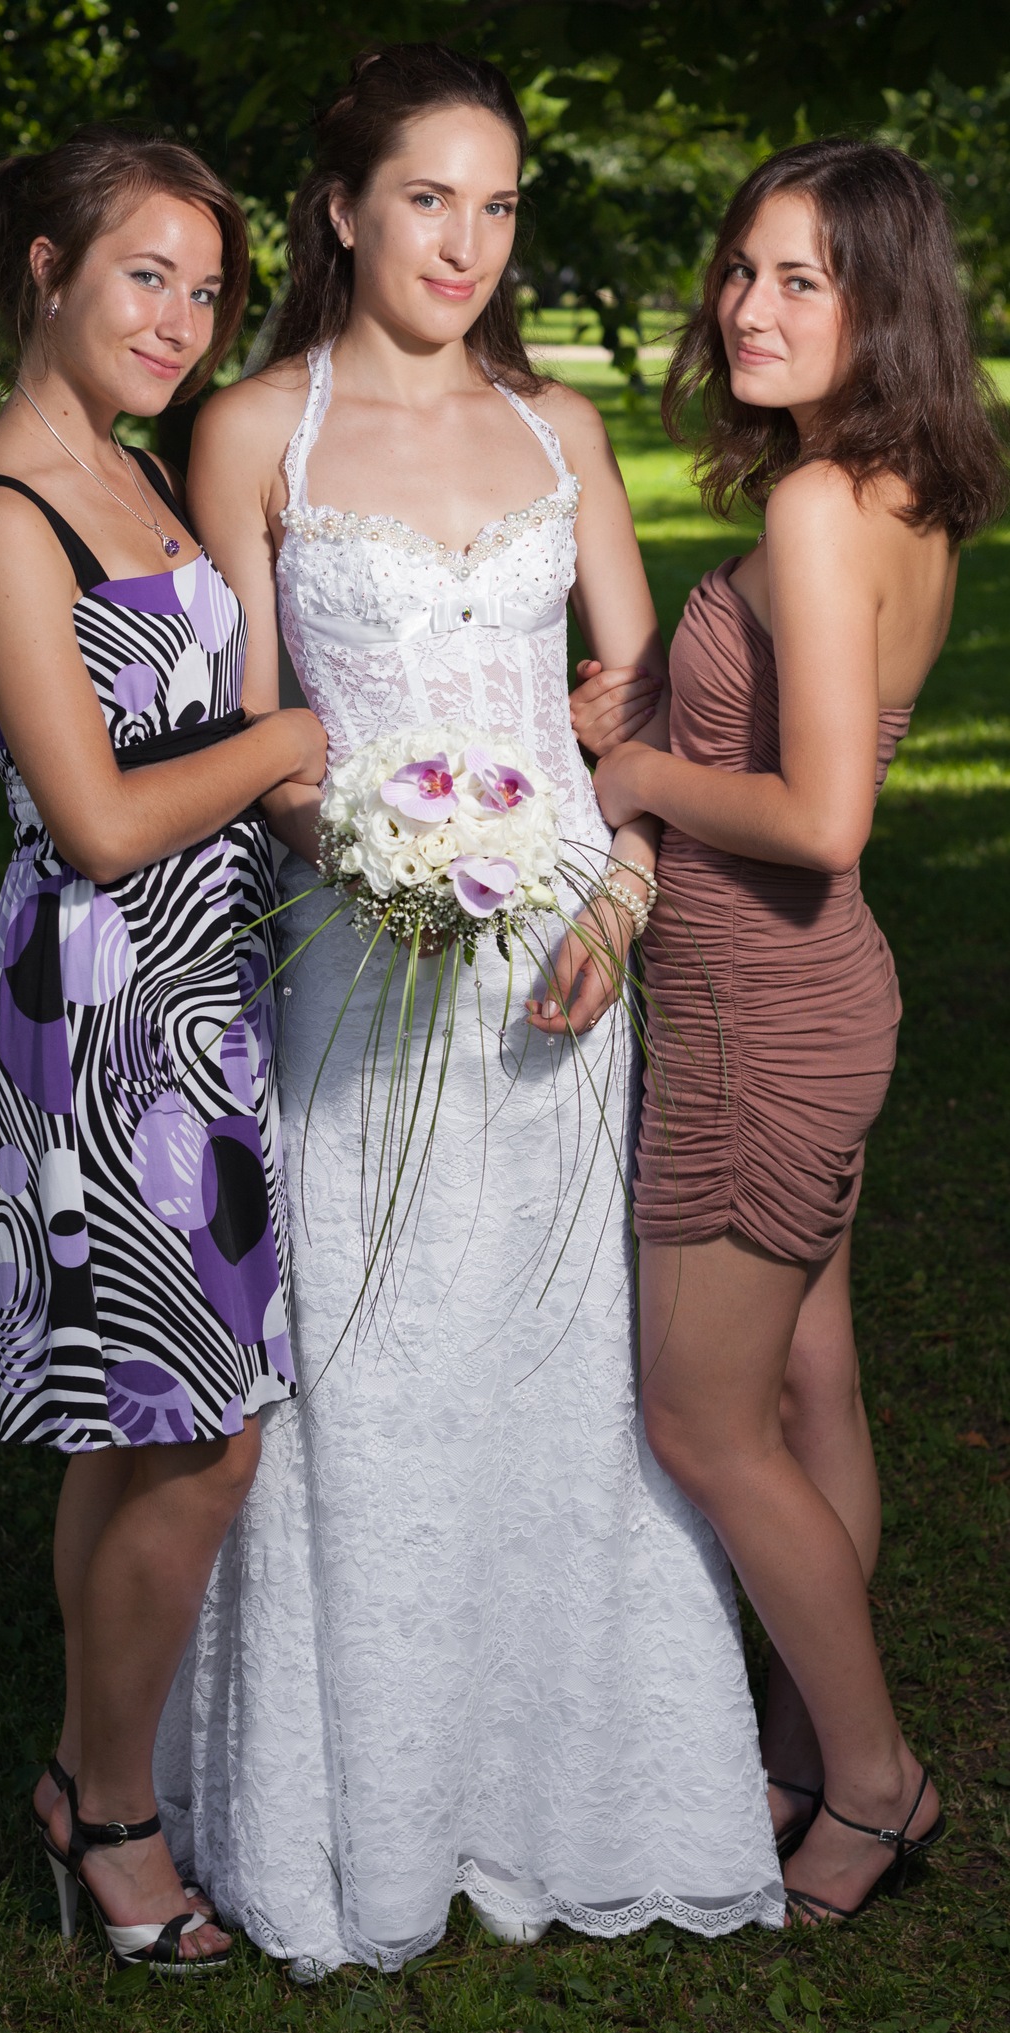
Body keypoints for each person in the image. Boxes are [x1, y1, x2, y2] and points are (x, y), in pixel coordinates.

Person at [154, 44, 783, 1976]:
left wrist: (622, 891)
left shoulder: (559, 427)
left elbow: (641, 704)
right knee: (369, 1363)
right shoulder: (253, 429)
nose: (468, 242)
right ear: (345, 208)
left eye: (498, 205)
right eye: (430, 198)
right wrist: (372, 854)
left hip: (563, 966)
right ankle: (359, 1801)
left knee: (556, 1362)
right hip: (357, 961)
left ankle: (576, 1786)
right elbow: (258, 730)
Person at [583, 138, 1006, 1924]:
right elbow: (801, 728)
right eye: (743, 269)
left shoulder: (821, 506)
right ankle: (795, 1753)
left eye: (801, 281)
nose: (749, 307)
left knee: (703, 1420)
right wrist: (660, 708)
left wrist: (638, 769)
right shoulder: (899, 489)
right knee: (811, 1383)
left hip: (760, 1014)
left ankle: (879, 1783)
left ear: (880, 303)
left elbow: (823, 815)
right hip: (815, 996)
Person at [0, 125, 327, 1975]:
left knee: (136, 1432)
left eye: (206, 287)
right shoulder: (3, 516)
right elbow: (93, 819)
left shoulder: (141, 466)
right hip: (100, 1017)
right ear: (48, 271)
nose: (181, 316)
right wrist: (293, 742)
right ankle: (112, 1812)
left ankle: (82, 1780)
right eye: (144, 275)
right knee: (206, 1439)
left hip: (203, 1000)